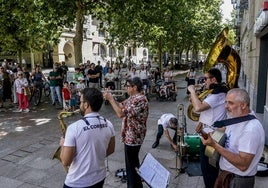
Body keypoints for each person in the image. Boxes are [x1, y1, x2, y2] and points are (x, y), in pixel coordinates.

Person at [201, 88, 265, 188]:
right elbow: (226, 130)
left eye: (230, 103)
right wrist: (212, 134)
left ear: (243, 105)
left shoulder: (251, 129)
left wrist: (214, 145)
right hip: (227, 175)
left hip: (237, 181)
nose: (226, 106)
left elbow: (243, 165)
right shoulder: (236, 118)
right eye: (226, 102)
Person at [60, 88, 115, 188]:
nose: (79, 105)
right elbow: (111, 150)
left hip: (77, 182)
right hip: (100, 177)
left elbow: (65, 161)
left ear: (86, 105)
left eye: (81, 102)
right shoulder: (109, 124)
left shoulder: (74, 128)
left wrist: (63, 144)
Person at [103, 77, 149, 188]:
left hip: (134, 136)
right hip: (130, 135)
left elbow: (120, 114)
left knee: (131, 164)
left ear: (135, 87)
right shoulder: (132, 98)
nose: (126, 88)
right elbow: (121, 106)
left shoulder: (139, 99)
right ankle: (135, 184)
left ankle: (134, 185)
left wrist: (110, 100)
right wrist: (112, 97)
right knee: (131, 163)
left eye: (128, 86)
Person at [188, 68, 229, 188]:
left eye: (206, 79)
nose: (204, 81)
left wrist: (192, 91)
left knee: (208, 169)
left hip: (212, 136)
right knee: (207, 167)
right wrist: (201, 122)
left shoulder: (218, 94)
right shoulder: (214, 91)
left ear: (213, 79)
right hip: (208, 131)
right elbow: (210, 111)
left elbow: (198, 108)